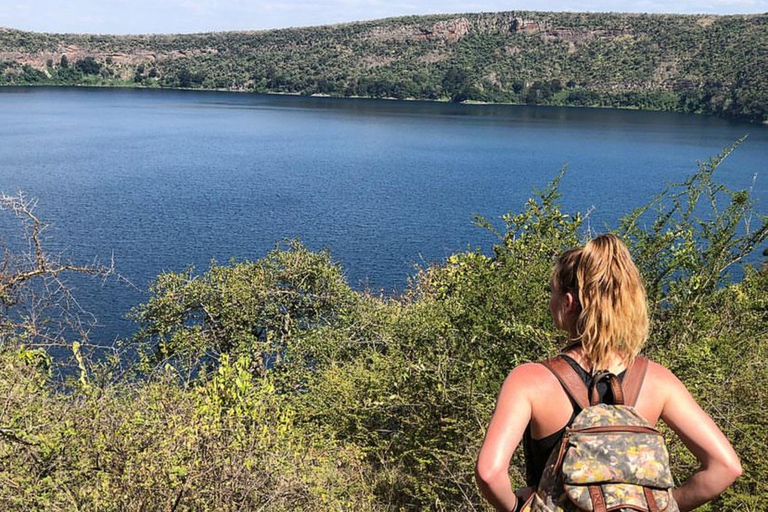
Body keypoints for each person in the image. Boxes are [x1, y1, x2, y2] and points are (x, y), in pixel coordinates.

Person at [475, 234, 742, 512]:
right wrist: (663, 506)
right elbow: (725, 467)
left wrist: (521, 507)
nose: (550, 301)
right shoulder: (658, 381)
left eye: (551, 292)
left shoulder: (529, 380)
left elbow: (489, 473)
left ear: (568, 302)